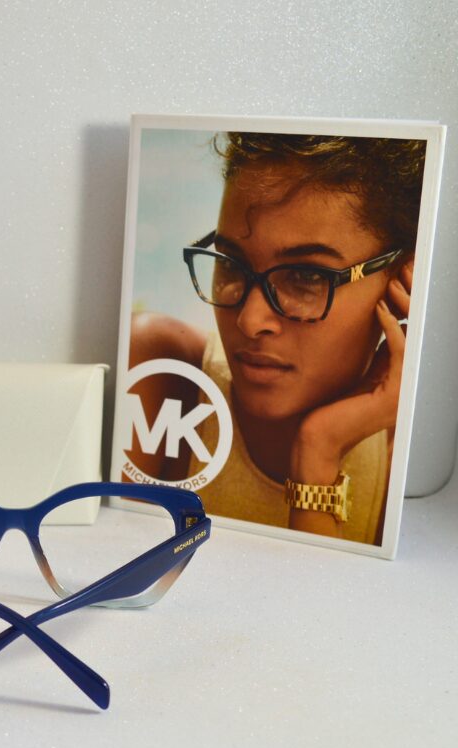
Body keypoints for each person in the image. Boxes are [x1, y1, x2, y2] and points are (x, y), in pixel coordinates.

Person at [128, 133, 426, 545]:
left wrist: (319, 450)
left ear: (405, 281)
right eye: (230, 262)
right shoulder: (160, 377)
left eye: (306, 276)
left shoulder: (411, 466)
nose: (250, 321)